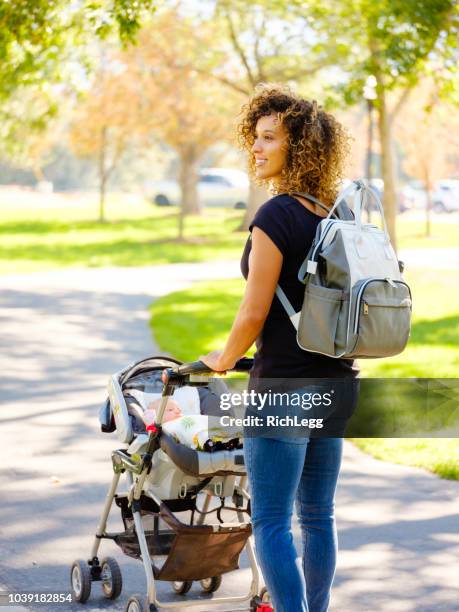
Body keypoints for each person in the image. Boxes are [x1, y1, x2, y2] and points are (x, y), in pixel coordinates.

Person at [200, 84, 360, 612]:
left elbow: (253, 312)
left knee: (270, 519)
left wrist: (220, 361)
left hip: (283, 387)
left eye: (270, 138)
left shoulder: (274, 218)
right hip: (335, 385)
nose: (257, 149)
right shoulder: (335, 214)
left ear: (300, 148)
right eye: (256, 138)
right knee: (318, 516)